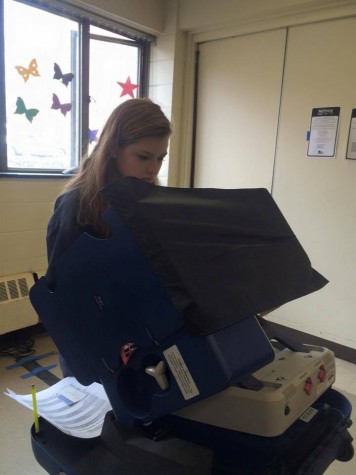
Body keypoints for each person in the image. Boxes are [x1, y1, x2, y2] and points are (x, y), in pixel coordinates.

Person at [45, 98, 172, 377]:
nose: (154, 169)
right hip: (93, 340)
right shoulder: (76, 204)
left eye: (160, 158)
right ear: (114, 148)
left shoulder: (146, 197)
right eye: (143, 157)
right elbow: (58, 290)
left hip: (137, 330)